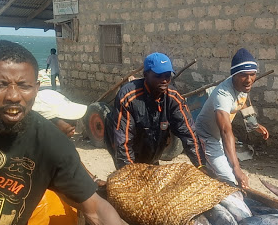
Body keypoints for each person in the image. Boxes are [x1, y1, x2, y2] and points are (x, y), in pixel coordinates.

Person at [0, 40, 173, 225]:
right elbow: (122, 137)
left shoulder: (49, 141)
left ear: (36, 88)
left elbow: (94, 208)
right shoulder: (129, 95)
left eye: (23, 86)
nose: (13, 96)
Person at [26, 89, 104, 225]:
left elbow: (74, 164)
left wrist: (94, 180)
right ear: (45, 123)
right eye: (67, 120)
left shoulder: (61, 143)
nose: (74, 125)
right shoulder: (28, 147)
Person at [104, 52, 206, 170]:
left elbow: (189, 135)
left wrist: (201, 166)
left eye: (167, 75)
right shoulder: (128, 97)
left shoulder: (173, 98)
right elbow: (123, 142)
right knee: (132, 179)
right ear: (145, 75)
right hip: (125, 139)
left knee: (151, 173)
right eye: (158, 76)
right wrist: (130, 174)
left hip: (152, 140)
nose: (164, 80)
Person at [195, 48, 269, 189]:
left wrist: (254, 124)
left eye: (252, 75)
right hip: (207, 136)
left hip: (220, 137)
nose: (249, 80)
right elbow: (226, 131)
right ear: (233, 75)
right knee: (229, 178)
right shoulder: (222, 95)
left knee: (227, 173)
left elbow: (242, 103)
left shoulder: (242, 87)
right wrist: (236, 168)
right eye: (243, 75)